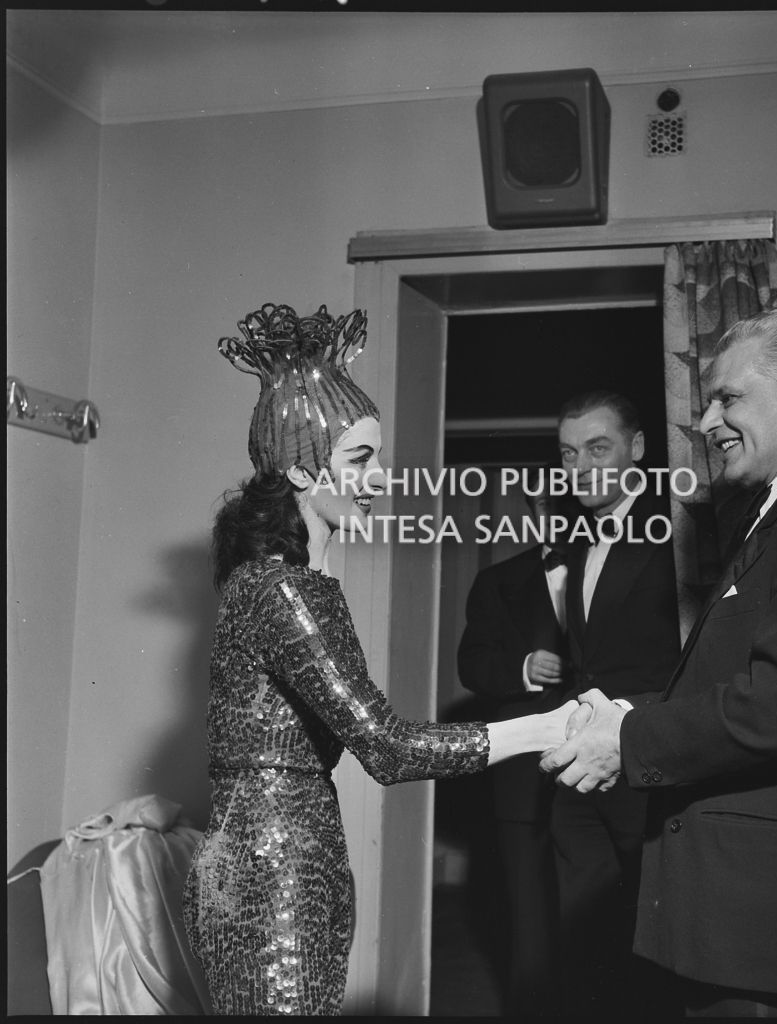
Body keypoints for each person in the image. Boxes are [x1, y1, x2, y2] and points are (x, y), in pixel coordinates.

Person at [181, 302, 577, 1016]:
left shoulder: (266, 580)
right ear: (301, 473)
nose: (375, 478)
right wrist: (547, 727)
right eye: (358, 460)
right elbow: (389, 748)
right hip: (281, 868)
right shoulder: (285, 591)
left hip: (267, 853)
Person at [542, 306, 777, 1018]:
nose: (708, 420)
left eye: (728, 397)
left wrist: (625, 741)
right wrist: (629, 713)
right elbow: (728, 683)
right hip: (756, 919)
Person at [551, 391, 682, 1015]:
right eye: (568, 453)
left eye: (597, 448)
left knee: (651, 940)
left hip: (645, 762)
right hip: (578, 769)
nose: (579, 467)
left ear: (637, 449)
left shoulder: (680, 530)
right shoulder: (577, 540)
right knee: (584, 936)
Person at [456, 468, 575, 1016]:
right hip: (524, 777)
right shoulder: (498, 581)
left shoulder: (628, 566)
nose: (548, 514)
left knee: (598, 913)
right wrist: (523, 667)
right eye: (539, 505)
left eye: (560, 502)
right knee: (528, 916)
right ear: (529, 509)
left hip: (606, 771)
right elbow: (472, 664)